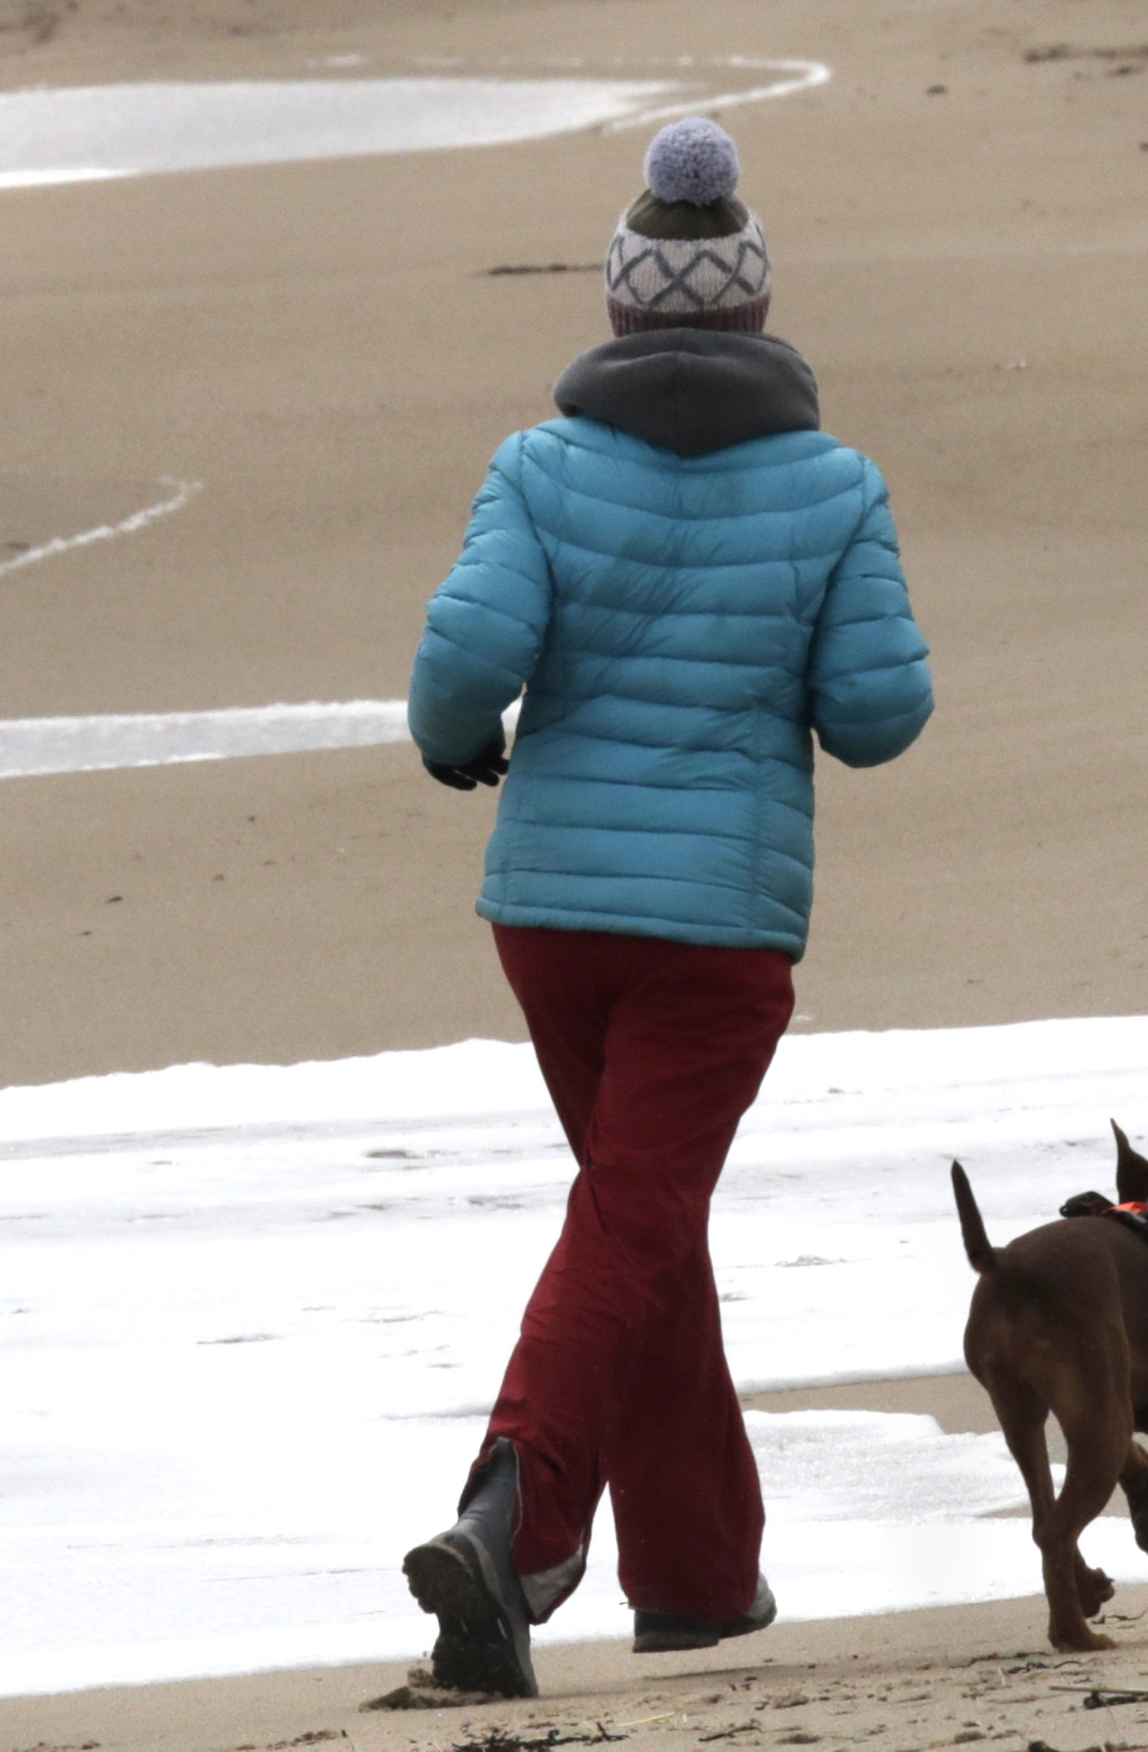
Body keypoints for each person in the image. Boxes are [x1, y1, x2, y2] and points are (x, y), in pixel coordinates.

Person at [400, 117, 934, 1700]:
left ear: (622, 308)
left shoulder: (540, 467)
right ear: (757, 312)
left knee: (643, 1222)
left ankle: (696, 1573)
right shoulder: (836, 487)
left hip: (554, 917)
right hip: (718, 930)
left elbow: (462, 661)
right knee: (633, 1220)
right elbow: (879, 709)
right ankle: (514, 1509)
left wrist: (455, 748)